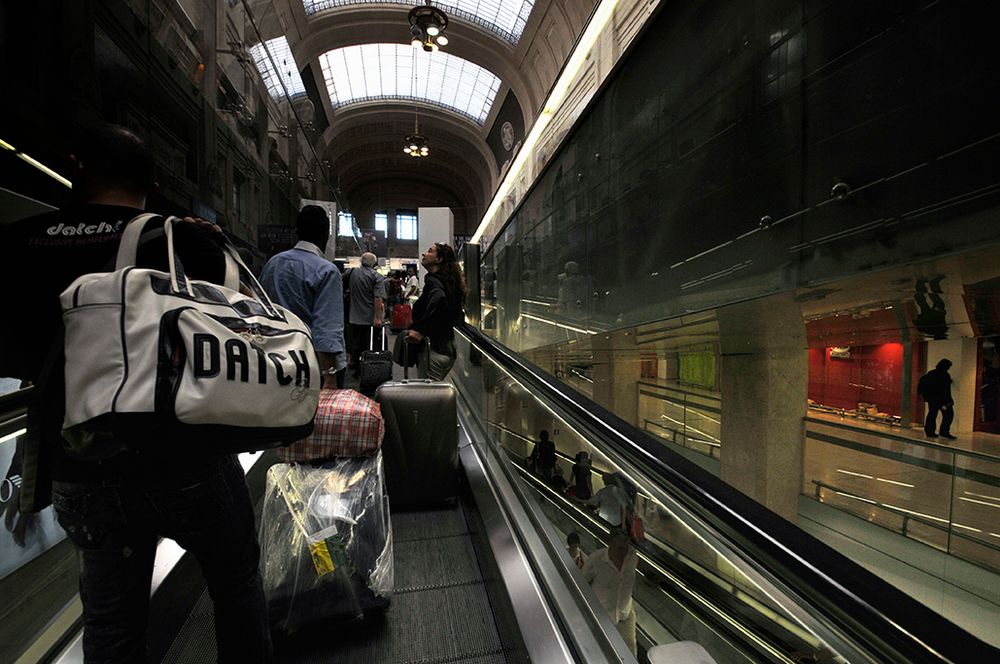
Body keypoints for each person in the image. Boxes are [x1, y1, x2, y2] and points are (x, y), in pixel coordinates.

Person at [0, 124, 272, 663]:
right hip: (187, 455)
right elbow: (237, 326)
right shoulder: (179, 239)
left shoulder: (19, 244)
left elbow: (12, 355)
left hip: (82, 464)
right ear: (150, 181)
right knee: (236, 586)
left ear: (76, 166)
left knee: (111, 621)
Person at [260, 206, 346, 389]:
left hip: (272, 358)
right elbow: (326, 328)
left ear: (297, 232)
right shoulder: (326, 271)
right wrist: (329, 375)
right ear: (326, 235)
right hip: (309, 364)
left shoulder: (273, 264)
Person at [406, 243, 466, 380]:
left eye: (429, 251)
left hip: (434, 350)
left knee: (427, 395)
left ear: (439, 259)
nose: (424, 254)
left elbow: (438, 298)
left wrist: (420, 329)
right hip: (447, 348)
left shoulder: (434, 281)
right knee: (432, 393)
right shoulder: (449, 282)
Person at [582, 529, 638, 655]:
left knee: (630, 650)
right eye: (619, 548)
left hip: (625, 613)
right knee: (602, 651)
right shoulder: (596, 559)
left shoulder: (632, 555)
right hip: (602, 615)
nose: (623, 552)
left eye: (625, 548)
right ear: (610, 545)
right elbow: (580, 582)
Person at [347, 252, 386, 376]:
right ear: (374, 263)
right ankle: (364, 369)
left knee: (354, 341)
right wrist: (378, 318)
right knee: (368, 344)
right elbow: (378, 298)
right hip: (369, 317)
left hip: (353, 316)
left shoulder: (351, 272)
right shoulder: (377, 277)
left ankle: (353, 362)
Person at [918, 359, 956, 440]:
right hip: (943, 401)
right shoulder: (945, 375)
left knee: (932, 414)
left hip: (933, 399)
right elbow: (946, 390)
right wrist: (949, 401)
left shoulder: (931, 374)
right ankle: (944, 432)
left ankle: (930, 431)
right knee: (948, 415)